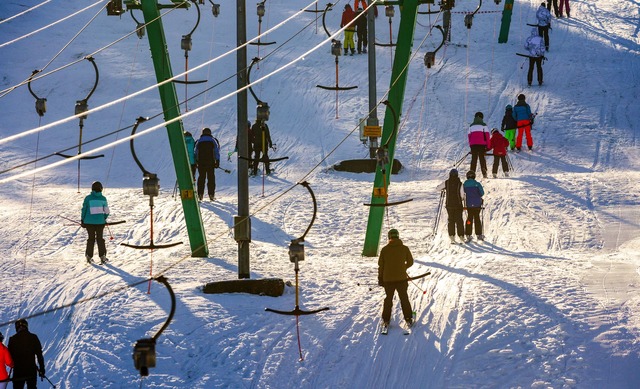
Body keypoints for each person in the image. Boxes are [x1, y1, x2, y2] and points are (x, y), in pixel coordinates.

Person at [378, 229, 414, 329]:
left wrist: (380, 278)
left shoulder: (384, 249)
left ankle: (386, 320)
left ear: (389, 237)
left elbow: (381, 265)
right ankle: (408, 318)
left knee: (388, 299)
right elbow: (410, 262)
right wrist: (403, 267)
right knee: (404, 298)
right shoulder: (405, 248)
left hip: (388, 280)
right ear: (398, 236)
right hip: (401, 279)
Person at [8, 319, 45, 389]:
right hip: (31, 371)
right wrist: (42, 370)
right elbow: (39, 355)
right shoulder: (34, 337)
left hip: (18, 372)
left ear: (17, 328)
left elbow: (9, 357)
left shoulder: (12, 339)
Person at [81, 181, 109, 264]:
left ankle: (89, 256)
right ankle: (103, 256)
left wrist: (83, 219)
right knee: (100, 239)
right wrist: (104, 218)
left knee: (91, 239)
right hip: (100, 223)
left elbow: (84, 210)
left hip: (89, 223)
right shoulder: (103, 198)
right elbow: (107, 211)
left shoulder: (88, 198)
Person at [437, 169, 466, 244]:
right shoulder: (460, 184)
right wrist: (462, 199)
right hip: (458, 205)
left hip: (449, 205)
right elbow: (462, 195)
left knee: (451, 220)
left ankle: (452, 236)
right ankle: (461, 236)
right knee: (459, 220)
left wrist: (443, 189)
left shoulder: (447, 183)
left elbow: (438, 188)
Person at [195, 128, 220, 201]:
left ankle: (200, 194)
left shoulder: (199, 141)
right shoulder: (213, 141)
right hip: (210, 163)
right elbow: (216, 151)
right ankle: (211, 194)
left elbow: (196, 152)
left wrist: (197, 161)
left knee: (201, 178)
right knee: (211, 178)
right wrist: (217, 161)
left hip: (201, 163)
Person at [463, 171, 485, 242]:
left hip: (469, 205)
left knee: (469, 218)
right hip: (477, 205)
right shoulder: (477, 184)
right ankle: (478, 234)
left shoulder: (465, 184)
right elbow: (482, 193)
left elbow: (463, 193)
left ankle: (468, 234)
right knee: (477, 218)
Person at [467, 111, 490, 178]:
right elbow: (487, 136)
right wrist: (488, 146)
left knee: (474, 158)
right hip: (482, 144)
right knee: (482, 158)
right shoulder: (484, 125)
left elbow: (469, 136)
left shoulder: (471, 126)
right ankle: (484, 170)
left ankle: (472, 172)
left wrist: (471, 145)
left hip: (473, 144)